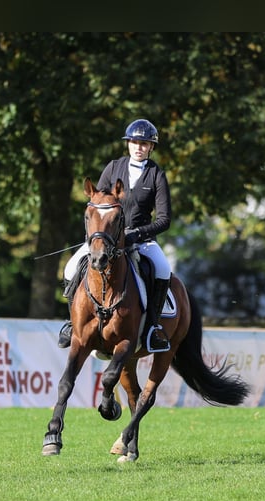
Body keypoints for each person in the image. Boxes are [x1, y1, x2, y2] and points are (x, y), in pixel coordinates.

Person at [58, 118, 173, 353]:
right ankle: (73, 324)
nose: (138, 147)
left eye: (144, 143)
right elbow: (97, 201)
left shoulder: (156, 175)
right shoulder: (113, 167)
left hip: (141, 239)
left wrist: (137, 234)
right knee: (70, 269)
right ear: (128, 144)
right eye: (134, 142)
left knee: (162, 269)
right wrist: (99, 234)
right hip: (106, 237)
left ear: (151, 147)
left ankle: (152, 328)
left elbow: (164, 220)